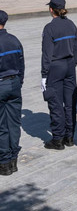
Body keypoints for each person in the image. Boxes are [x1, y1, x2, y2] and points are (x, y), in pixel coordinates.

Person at [41, 0, 77, 150]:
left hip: (56, 67)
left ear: (51, 9)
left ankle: (58, 139)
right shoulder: (71, 24)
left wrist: (44, 74)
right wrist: (73, 62)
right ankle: (69, 137)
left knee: (55, 103)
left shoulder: (49, 28)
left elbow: (47, 54)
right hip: (70, 65)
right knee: (70, 103)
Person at [0, 11, 24, 176]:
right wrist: (19, 82)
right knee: (14, 123)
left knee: (1, 126)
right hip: (14, 83)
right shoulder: (14, 40)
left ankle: (4, 161)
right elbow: (21, 64)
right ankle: (13, 158)